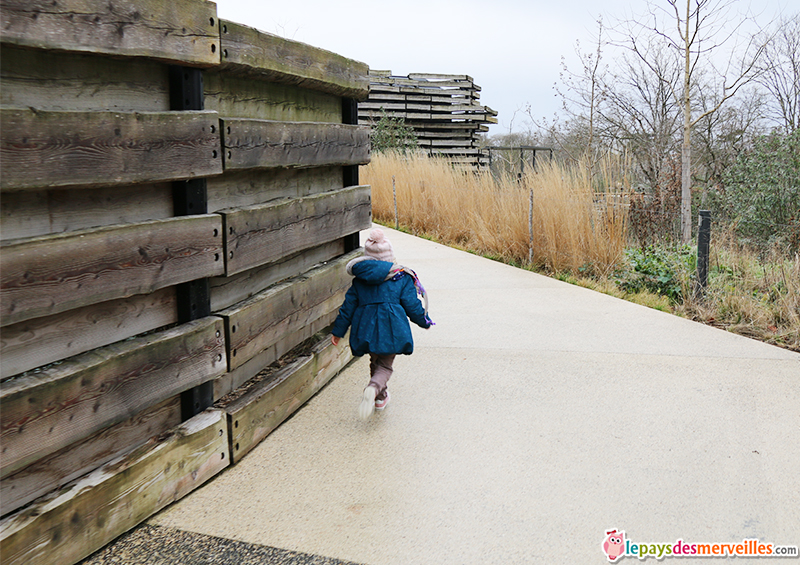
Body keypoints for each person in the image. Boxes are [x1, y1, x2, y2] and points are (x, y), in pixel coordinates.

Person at [331, 228, 433, 419]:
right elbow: (412, 305)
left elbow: (348, 308)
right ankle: (373, 387)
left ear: (367, 258)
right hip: (391, 328)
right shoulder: (401, 277)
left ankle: (380, 397)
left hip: (365, 328)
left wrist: (338, 331)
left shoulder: (359, 281)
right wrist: (424, 321)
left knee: (375, 360)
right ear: (390, 256)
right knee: (385, 365)